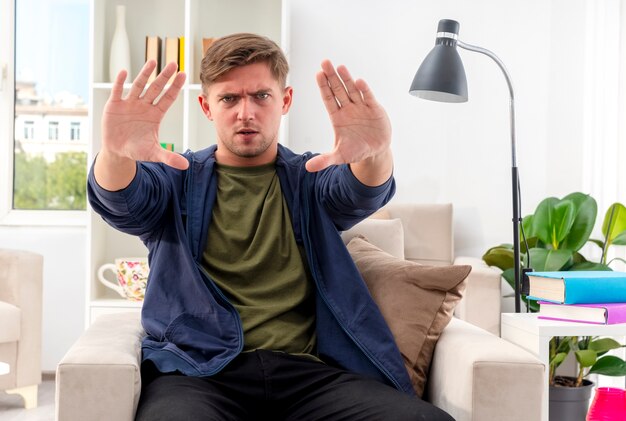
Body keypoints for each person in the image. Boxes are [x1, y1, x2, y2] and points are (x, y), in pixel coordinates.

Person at [88, 33, 454, 421]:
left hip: (311, 375)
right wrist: (115, 154)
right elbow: (123, 201)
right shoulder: (176, 178)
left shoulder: (310, 177)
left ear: (285, 100)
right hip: (200, 372)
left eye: (261, 96)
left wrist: (376, 153)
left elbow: (360, 190)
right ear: (206, 107)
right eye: (229, 98)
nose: (245, 112)